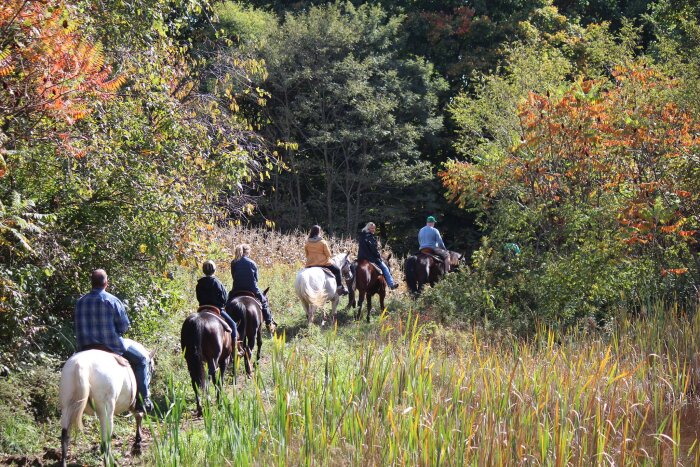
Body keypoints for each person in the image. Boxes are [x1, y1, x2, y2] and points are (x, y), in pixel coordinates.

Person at [74, 269, 153, 413]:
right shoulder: (112, 300)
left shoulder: (80, 301)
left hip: (84, 348)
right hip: (111, 347)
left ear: (91, 283)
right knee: (142, 359)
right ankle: (144, 400)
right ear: (106, 283)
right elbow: (123, 326)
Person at [230, 244, 276, 332]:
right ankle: (269, 323)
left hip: (237, 289)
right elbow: (256, 279)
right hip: (252, 289)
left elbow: (233, 276)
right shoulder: (252, 262)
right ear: (247, 252)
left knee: (228, 302)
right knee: (264, 301)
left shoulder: (233, 262)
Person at [196, 260, 239, 342]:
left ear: (203, 270)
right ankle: (235, 347)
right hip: (216, 309)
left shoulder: (199, 283)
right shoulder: (217, 282)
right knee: (233, 324)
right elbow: (224, 298)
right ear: (214, 270)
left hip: (202, 308)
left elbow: (198, 297)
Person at [304, 225, 348, 296]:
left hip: (310, 264)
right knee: (337, 270)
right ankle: (339, 288)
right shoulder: (322, 242)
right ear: (319, 232)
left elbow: (307, 255)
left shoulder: (308, 243)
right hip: (323, 263)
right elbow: (328, 254)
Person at [357, 222, 398, 290]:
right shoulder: (370, 237)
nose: (373, 230)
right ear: (368, 228)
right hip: (370, 258)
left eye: (374, 228)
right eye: (372, 228)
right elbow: (373, 249)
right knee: (385, 267)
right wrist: (378, 256)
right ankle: (391, 284)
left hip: (361, 257)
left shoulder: (362, 235)